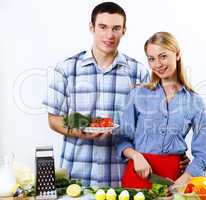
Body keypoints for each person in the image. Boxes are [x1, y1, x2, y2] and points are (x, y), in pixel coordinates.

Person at [43, 2, 150, 187]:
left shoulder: (139, 72)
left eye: (116, 28)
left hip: (121, 177)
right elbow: (54, 119)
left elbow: (146, 126)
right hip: (75, 176)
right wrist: (82, 133)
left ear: (124, 30)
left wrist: (174, 154)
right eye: (103, 27)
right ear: (92, 27)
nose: (109, 35)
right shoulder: (65, 69)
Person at [117, 32, 206, 189]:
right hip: (138, 172)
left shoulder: (195, 102)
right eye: (151, 59)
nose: (158, 64)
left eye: (163, 56)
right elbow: (122, 139)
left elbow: (202, 152)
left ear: (178, 54)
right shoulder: (137, 94)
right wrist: (135, 156)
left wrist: (187, 176)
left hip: (174, 178)